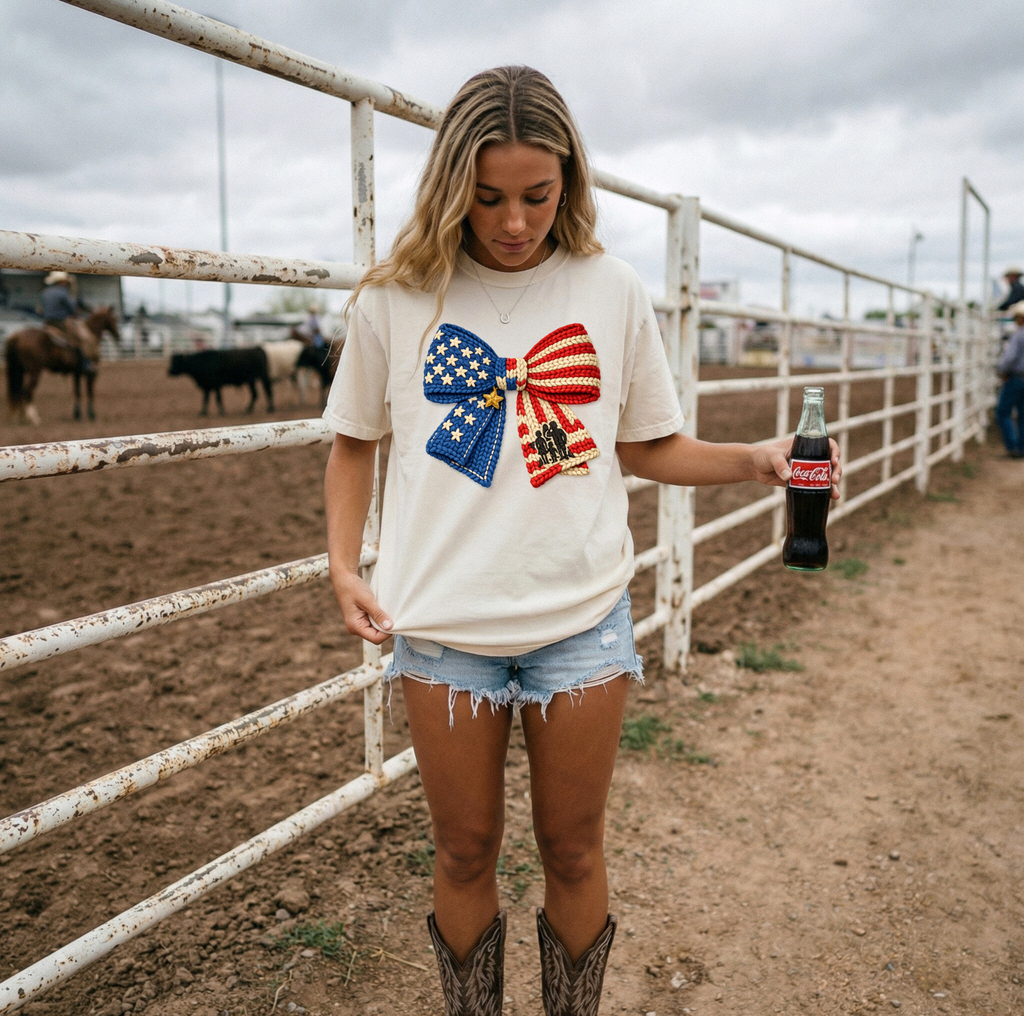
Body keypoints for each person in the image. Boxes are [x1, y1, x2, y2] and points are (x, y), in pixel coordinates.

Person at [321, 66, 841, 1016]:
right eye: (486, 198)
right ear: (449, 188)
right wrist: (343, 566)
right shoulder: (395, 299)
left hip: (583, 622)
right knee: (465, 849)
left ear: (570, 184)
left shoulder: (612, 288)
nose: (513, 221)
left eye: (536, 196)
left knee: (573, 846)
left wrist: (755, 460)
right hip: (440, 624)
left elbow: (645, 444)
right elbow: (355, 442)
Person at [41, 270, 95, 374]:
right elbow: (71, 308)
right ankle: (85, 364)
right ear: (63, 282)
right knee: (79, 339)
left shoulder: (46, 292)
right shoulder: (64, 292)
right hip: (61, 321)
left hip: (48, 322)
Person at [995, 302, 1024, 458]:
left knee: (1002, 411)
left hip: (1017, 377)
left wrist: (1003, 370)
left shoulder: (1019, 335)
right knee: (1023, 414)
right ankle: (1021, 447)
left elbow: (1011, 357)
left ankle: (1012, 446)